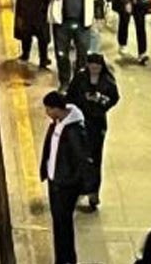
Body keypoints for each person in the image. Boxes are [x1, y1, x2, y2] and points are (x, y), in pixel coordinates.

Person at [40, 91, 92, 264]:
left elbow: (82, 159)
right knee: (58, 223)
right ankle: (61, 259)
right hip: (55, 181)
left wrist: (74, 181)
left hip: (65, 185)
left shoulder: (74, 131)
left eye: (48, 109)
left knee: (64, 225)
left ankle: (67, 260)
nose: (46, 112)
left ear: (56, 108)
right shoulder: (57, 123)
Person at [65, 52, 119, 210]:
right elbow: (70, 97)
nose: (94, 69)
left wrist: (100, 100)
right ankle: (79, 189)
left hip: (97, 125)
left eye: (97, 67)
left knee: (94, 159)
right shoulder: (80, 79)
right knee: (78, 157)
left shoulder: (107, 81)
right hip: (81, 123)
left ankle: (93, 192)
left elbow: (114, 98)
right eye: (92, 66)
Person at [49, 0, 102, 86]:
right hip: (61, 21)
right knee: (62, 54)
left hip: (82, 21)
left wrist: (99, 15)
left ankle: (80, 82)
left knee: (83, 52)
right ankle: (64, 82)